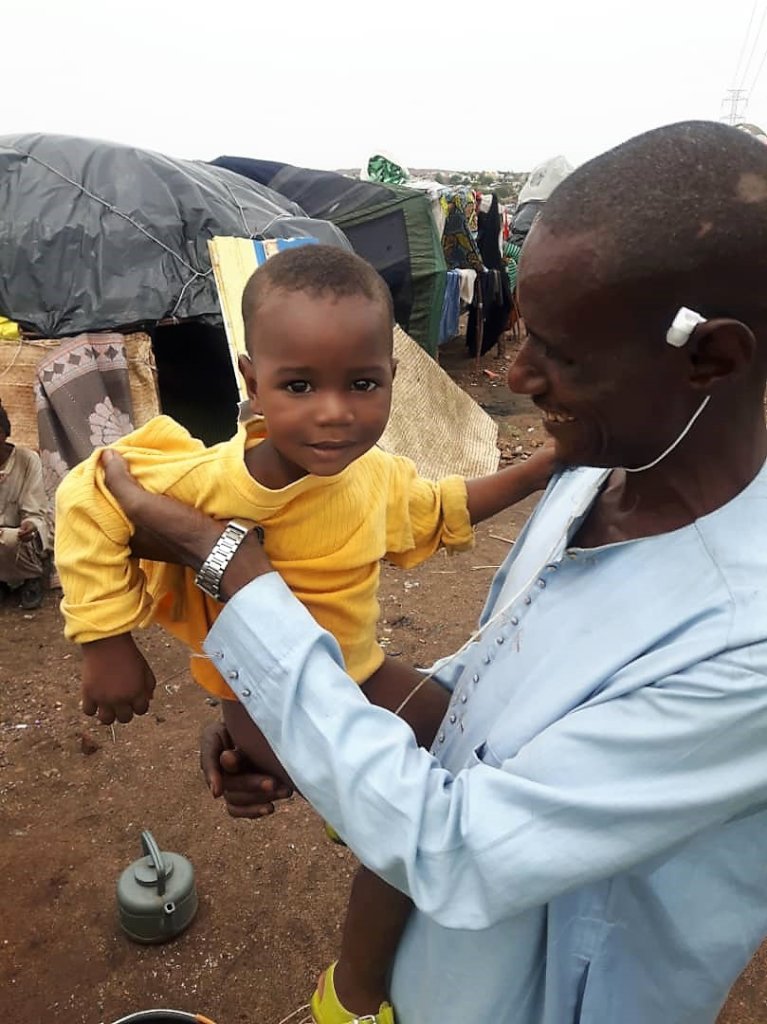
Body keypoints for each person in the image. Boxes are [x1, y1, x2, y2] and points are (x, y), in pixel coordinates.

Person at [96, 119, 767, 1024]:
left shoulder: (745, 646)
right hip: (431, 964)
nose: (515, 373)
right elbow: (492, 691)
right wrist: (301, 728)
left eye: (559, 355)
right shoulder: (607, 479)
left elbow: (460, 848)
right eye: (522, 333)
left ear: (711, 359)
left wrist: (234, 573)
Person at [54, 244, 555, 1024]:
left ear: (391, 376)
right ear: (251, 383)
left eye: (361, 384)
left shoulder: (375, 477)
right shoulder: (217, 484)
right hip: (264, 694)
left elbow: (438, 511)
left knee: (457, 722)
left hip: (356, 668)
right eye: (298, 386)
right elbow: (87, 494)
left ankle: (346, 807)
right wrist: (106, 641)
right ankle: (349, 1000)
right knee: (405, 836)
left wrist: (536, 471)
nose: (333, 412)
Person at [0, 401, 52, 609]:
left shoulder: (27, 460)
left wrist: (29, 525)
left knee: (13, 540)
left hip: (19, 534)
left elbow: (35, 511)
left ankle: (32, 577)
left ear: (3, 433)